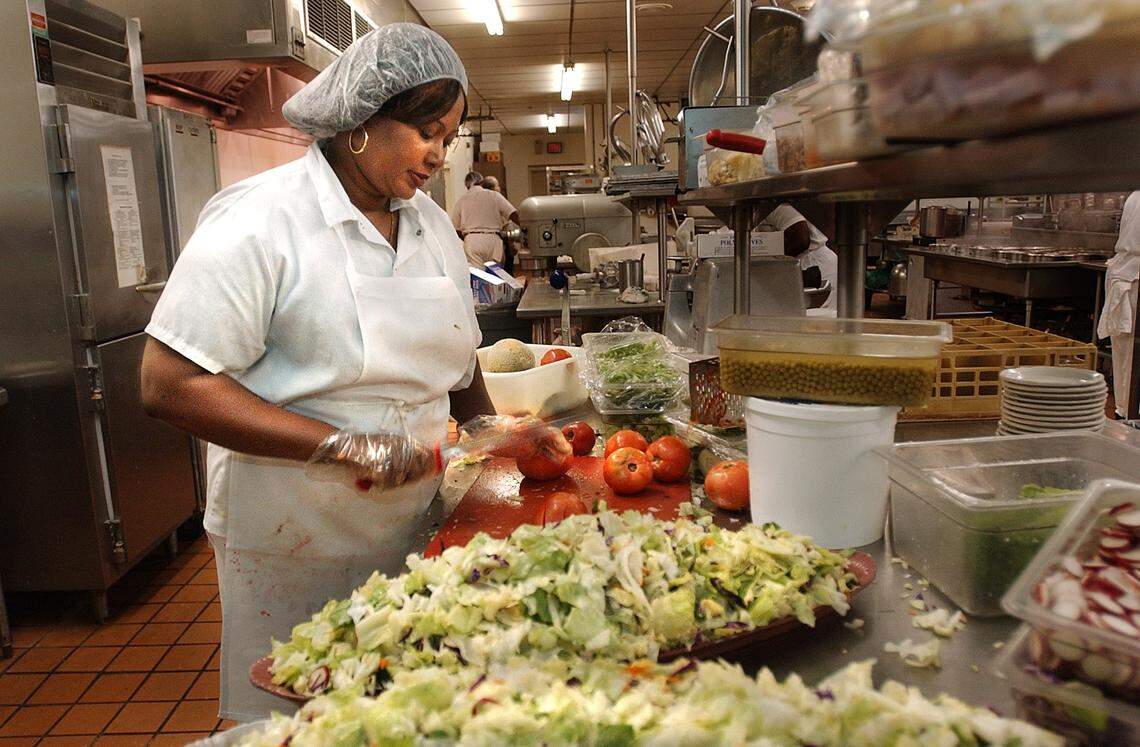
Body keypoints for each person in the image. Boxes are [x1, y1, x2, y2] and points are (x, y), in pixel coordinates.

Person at [139, 24, 495, 722]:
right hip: (293, 531)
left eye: (449, 137)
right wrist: (339, 444)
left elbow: (457, 354)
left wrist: (491, 425)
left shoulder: (426, 224)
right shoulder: (261, 221)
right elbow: (167, 383)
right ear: (362, 120)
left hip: (414, 520)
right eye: (427, 131)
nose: (439, 154)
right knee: (302, 716)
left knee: (404, 707)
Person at [1098, 191, 1140, 417]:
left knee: (1127, 356)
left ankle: (1126, 412)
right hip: (1132, 279)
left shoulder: (1135, 194)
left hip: (1126, 275)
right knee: (1131, 358)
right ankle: (1129, 416)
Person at [764, 203, 838, 310]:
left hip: (813, 263)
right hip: (808, 261)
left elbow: (800, 239)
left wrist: (773, 262)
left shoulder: (775, 205)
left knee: (816, 320)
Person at [452, 167, 519, 266]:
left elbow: (455, 229)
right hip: (493, 240)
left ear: (466, 186)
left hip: (472, 241)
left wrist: (467, 237)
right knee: (496, 275)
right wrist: (528, 228)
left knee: (479, 276)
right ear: (481, 182)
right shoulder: (494, 196)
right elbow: (513, 214)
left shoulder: (461, 201)